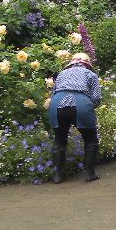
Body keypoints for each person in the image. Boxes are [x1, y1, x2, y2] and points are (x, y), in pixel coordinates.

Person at [48, 52, 102, 183]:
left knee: (59, 141)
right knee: (90, 139)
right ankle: (90, 173)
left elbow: (53, 92)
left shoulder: (61, 74)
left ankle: (58, 175)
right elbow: (96, 98)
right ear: (87, 64)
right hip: (81, 103)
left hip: (57, 103)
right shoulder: (90, 74)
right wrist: (88, 106)